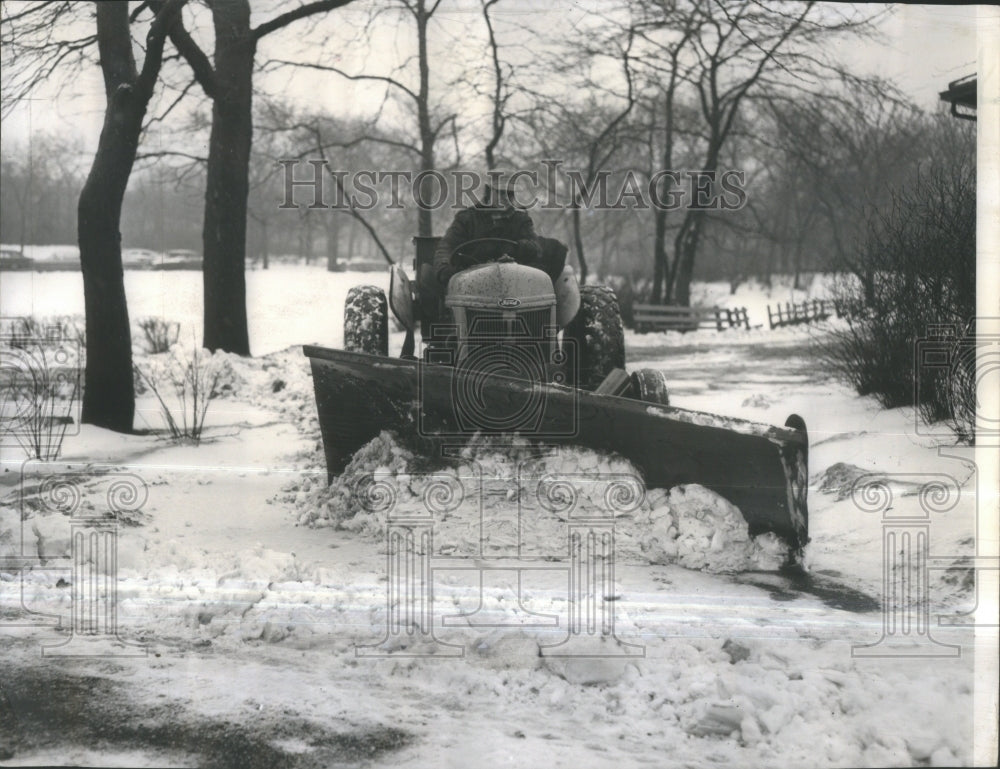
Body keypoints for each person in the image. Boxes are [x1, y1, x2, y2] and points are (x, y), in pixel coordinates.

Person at [431, 176, 546, 291]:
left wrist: (519, 247)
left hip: (513, 279)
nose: (506, 198)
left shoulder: (521, 220)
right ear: (489, 192)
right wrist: (444, 267)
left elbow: (535, 248)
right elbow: (447, 246)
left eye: (510, 194)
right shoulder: (467, 218)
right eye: (501, 193)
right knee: (430, 282)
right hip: (471, 278)